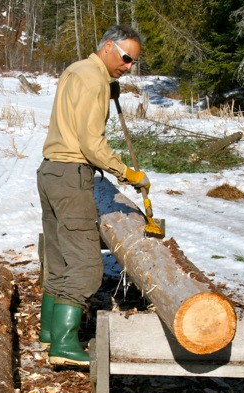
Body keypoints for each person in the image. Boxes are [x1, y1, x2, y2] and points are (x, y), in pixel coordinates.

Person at [36, 25, 150, 367]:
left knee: (59, 260)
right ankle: (65, 344)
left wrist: (110, 86)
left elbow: (77, 111)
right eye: (126, 59)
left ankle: (49, 333)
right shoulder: (95, 79)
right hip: (72, 176)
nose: (129, 67)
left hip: (50, 172)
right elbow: (91, 143)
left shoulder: (77, 69)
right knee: (86, 266)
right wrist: (126, 173)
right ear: (109, 47)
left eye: (133, 63)